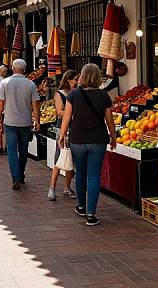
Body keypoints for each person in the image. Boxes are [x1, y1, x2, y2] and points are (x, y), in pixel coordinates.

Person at [59, 63, 117, 226]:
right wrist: (113, 137)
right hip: (98, 140)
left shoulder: (73, 95)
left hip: (77, 139)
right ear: (98, 77)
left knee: (81, 174)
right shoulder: (104, 96)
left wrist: (62, 135)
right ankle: (91, 214)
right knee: (93, 176)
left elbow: (67, 117)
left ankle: (81, 206)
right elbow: (109, 120)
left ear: (82, 76)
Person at [0, 59, 40, 190]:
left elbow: (0, 103)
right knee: (23, 150)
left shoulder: (5, 82)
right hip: (25, 122)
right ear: (24, 69)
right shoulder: (30, 84)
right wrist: (37, 120)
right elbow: (36, 104)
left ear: (13, 69)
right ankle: (21, 174)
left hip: (10, 121)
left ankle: (16, 176)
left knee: (12, 150)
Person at [47, 70, 79, 201]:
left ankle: (67, 187)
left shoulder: (77, 93)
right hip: (63, 130)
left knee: (71, 159)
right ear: (68, 80)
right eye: (75, 79)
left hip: (76, 130)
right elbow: (59, 111)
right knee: (59, 158)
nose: (77, 82)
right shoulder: (60, 94)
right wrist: (73, 113)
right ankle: (52, 187)